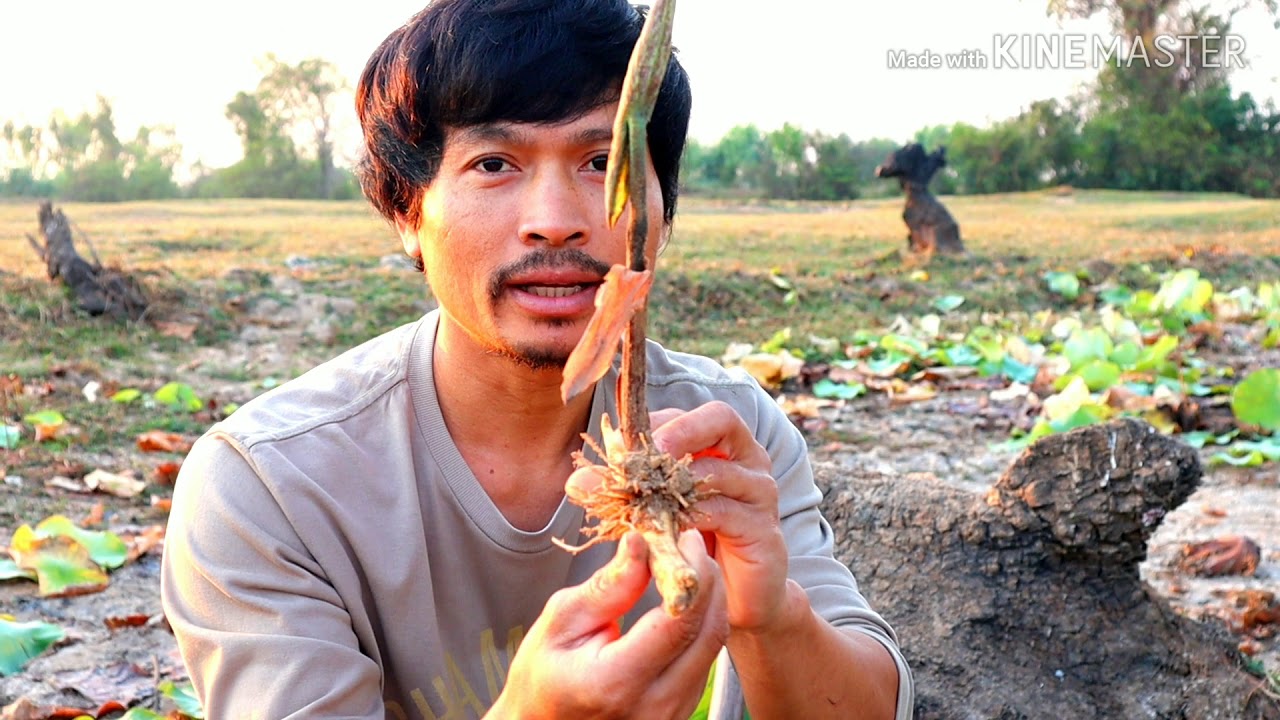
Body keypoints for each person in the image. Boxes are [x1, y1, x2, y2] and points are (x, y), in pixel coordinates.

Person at [160, 1, 914, 718]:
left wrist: (771, 613)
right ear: (405, 212)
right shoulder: (267, 487)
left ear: (661, 208)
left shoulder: (726, 435)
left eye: (601, 162)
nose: (555, 224)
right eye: (494, 163)